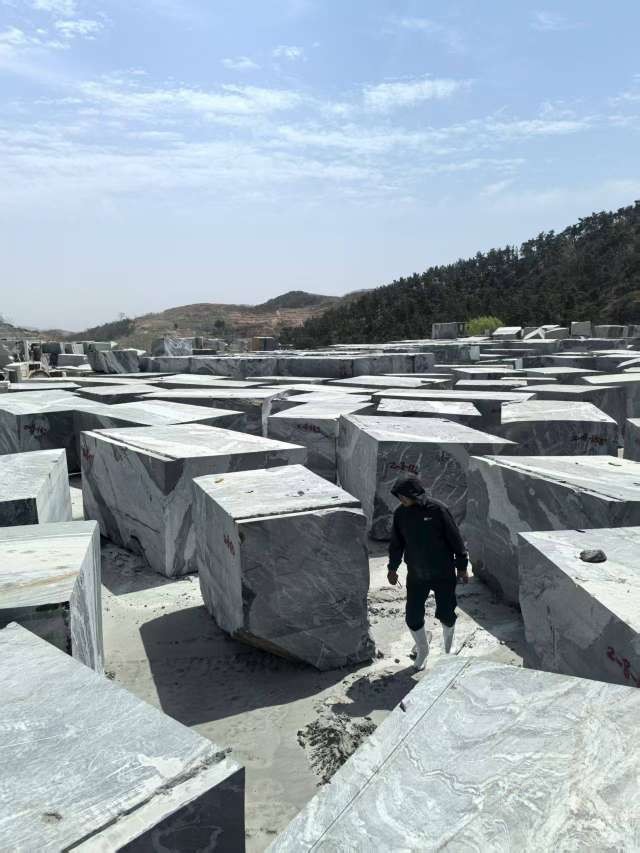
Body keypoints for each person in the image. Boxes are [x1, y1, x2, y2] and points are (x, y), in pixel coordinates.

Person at [387, 476, 469, 670]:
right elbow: (396, 544)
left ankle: (449, 647)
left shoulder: (438, 510)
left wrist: (462, 567)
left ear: (414, 493)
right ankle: (423, 649)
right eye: (399, 497)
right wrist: (392, 567)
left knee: (446, 613)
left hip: (443, 573)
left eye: (403, 496)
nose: (401, 500)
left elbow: (456, 539)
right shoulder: (400, 514)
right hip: (416, 574)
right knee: (412, 616)